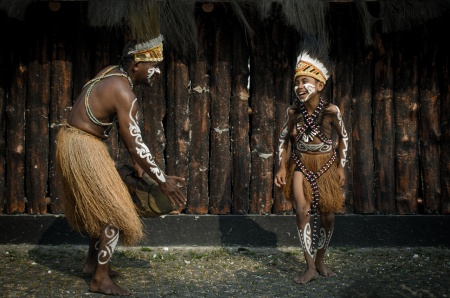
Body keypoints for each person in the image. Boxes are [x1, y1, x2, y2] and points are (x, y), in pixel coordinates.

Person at [55, 35, 187, 296]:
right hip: (84, 147)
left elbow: (121, 130)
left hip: (71, 142)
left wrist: (141, 166)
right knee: (115, 209)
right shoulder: (125, 92)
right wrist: (162, 181)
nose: (157, 72)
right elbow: (136, 146)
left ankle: (92, 263)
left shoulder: (110, 73)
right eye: (153, 66)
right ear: (136, 65)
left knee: (99, 206)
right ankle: (100, 280)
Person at [274, 52, 348, 285]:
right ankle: (309, 267)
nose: (300, 86)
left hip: (326, 165)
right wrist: (281, 167)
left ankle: (320, 261)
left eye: (305, 81)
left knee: (328, 216)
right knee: (302, 212)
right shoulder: (293, 112)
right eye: (296, 82)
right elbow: (283, 139)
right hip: (301, 164)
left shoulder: (331, 111)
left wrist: (341, 167)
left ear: (320, 84)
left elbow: (344, 138)